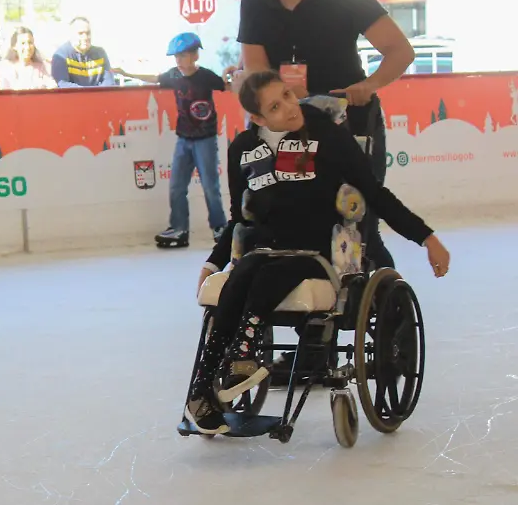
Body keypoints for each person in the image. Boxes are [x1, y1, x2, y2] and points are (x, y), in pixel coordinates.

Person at [184, 70, 450, 435]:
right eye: (276, 107)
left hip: (319, 250)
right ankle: (202, 390)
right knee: (241, 275)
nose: (291, 108)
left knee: (268, 272)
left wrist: (426, 237)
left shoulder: (327, 135)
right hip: (265, 248)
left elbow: (374, 195)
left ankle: (243, 353)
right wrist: (214, 260)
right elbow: (237, 218)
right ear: (258, 119)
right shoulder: (243, 149)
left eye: (289, 96)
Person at [237, 0, 416, 271]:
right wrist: (282, 91)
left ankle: (384, 301)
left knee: (358, 220)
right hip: (287, 126)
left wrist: (369, 85)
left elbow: (400, 50)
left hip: (349, 123)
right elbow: (255, 70)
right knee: (285, 216)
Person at [115, 32, 228, 246]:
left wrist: (236, 74)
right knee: (176, 186)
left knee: (210, 186)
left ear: (195, 55)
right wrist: (125, 72)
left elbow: (226, 85)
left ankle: (219, 227)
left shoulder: (205, 77)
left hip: (205, 139)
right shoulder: (173, 76)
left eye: (183, 56)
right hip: (184, 139)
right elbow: (154, 78)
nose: (179, 61)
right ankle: (178, 228)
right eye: (176, 57)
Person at [50, 17, 115, 87]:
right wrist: (87, 94)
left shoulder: (100, 54)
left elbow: (109, 81)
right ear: (71, 35)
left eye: (88, 33)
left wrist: (96, 94)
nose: (85, 37)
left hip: (99, 96)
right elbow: (62, 84)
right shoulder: (60, 56)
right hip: (73, 97)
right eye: (80, 33)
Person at [0, 27, 55, 91]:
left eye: (30, 43)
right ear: (14, 46)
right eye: (23, 43)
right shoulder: (6, 68)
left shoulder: (44, 67)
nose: (27, 47)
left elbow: (51, 89)